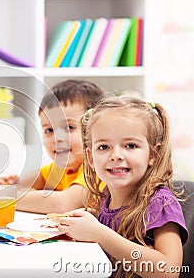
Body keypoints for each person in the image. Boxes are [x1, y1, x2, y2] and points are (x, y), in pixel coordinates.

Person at [57, 96, 188, 277]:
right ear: (90, 157)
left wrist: (99, 233)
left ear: (153, 154)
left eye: (130, 145)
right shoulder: (108, 197)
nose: (116, 155)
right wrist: (96, 219)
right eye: (104, 147)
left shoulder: (161, 204)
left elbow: (169, 270)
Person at [0, 79, 105, 214]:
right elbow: (27, 181)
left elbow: (62, 204)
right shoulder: (60, 169)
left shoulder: (98, 169)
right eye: (49, 130)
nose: (57, 138)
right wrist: (3, 185)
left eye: (69, 127)